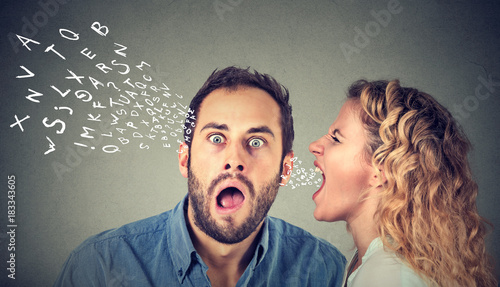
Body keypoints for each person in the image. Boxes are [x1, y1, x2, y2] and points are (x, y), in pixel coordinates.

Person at [54, 66, 346, 287]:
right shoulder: (99, 267)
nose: (234, 160)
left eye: (256, 142)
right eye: (217, 138)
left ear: (286, 169)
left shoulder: (324, 271)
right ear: (185, 159)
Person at [309, 79, 497, 287]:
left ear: (381, 171)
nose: (314, 145)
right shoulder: (372, 263)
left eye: (336, 138)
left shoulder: (385, 276)